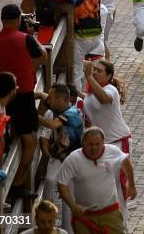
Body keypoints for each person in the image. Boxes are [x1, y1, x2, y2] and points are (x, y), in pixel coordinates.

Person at [0, 4, 46, 196]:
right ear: (18, 20)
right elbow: (42, 56)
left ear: (2, 20)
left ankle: (1, 173)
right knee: (30, 140)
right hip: (23, 94)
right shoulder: (25, 39)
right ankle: (17, 183)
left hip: (0, 96)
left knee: (3, 135)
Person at [57, 127, 137, 233]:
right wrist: (72, 205)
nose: (94, 148)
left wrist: (131, 185)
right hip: (84, 215)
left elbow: (126, 161)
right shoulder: (73, 159)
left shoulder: (112, 151)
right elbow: (61, 182)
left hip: (110, 212)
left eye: (97, 144)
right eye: (90, 144)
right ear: (83, 143)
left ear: (103, 143)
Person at [37, 84, 83, 230]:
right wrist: (37, 95)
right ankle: (45, 221)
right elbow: (46, 97)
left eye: (52, 98)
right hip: (57, 158)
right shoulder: (59, 107)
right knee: (50, 182)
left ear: (61, 99)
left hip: (72, 160)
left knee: (68, 200)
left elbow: (52, 125)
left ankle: (67, 231)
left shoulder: (73, 113)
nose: (48, 101)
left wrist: (31, 113)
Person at [72, 0, 104, 89]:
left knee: (76, 70)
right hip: (96, 37)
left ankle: (78, 97)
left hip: (81, 39)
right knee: (84, 65)